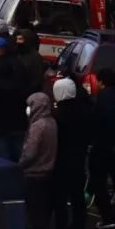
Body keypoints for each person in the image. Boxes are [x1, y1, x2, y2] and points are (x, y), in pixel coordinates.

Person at [51, 77, 90, 229]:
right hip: (79, 159)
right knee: (77, 196)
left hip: (60, 162)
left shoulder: (57, 116)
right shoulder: (85, 111)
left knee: (59, 199)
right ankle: (79, 224)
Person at [18, 93, 56, 229]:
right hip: (49, 175)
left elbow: (30, 153)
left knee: (35, 216)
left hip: (34, 176)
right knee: (44, 216)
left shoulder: (37, 126)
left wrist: (20, 165)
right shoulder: (52, 122)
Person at [89, 68, 115, 229]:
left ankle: (108, 217)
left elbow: (102, 122)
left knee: (98, 182)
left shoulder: (104, 99)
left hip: (104, 147)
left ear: (101, 82)